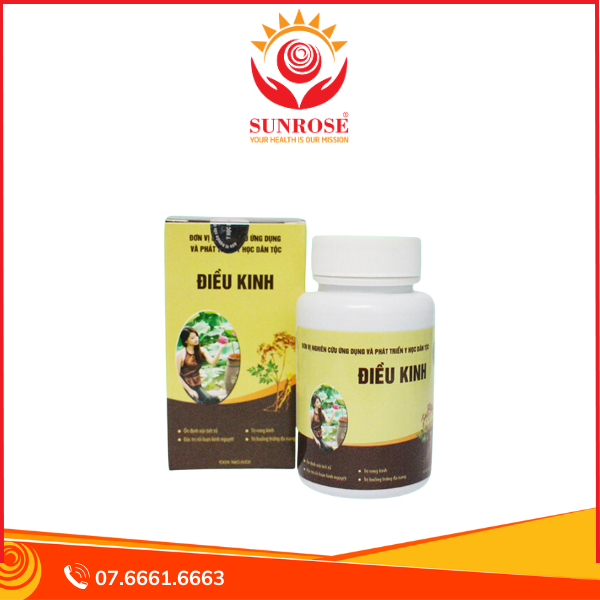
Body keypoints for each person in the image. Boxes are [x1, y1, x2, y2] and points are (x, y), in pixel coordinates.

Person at [176, 326, 225, 405]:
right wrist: (189, 390)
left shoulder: (202, 351)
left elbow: (213, 362)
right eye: (192, 338)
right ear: (186, 341)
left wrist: (220, 348)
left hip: (197, 386)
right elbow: (177, 375)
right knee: (199, 403)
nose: (196, 339)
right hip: (185, 387)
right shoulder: (180, 355)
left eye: (196, 336)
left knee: (212, 400)